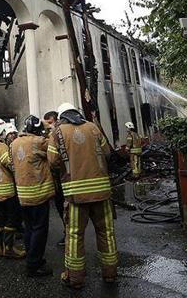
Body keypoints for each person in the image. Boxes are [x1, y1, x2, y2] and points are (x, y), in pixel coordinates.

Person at [47, 103, 117, 290]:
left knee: (75, 236)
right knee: (106, 233)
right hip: (102, 193)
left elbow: (53, 161)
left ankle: (75, 278)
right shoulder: (93, 127)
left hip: (76, 197)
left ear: (61, 117)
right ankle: (110, 274)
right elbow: (108, 153)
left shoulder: (58, 133)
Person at [11, 115, 54, 277]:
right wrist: (49, 127)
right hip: (38, 193)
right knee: (40, 230)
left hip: (22, 194)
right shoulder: (38, 142)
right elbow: (54, 148)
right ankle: (34, 265)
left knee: (29, 228)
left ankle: (32, 258)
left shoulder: (14, 143)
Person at [0, 118, 26, 259]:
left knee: (0, 218)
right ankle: (9, 248)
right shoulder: (0, 146)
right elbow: (10, 163)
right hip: (8, 189)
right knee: (13, 218)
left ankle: (0, 247)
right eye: (2, 131)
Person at [43, 111, 66, 246]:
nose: (49, 126)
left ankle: (69, 234)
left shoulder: (59, 134)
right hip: (57, 180)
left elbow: (53, 160)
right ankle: (67, 232)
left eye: (51, 123)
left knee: (65, 208)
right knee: (61, 206)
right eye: (48, 124)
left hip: (62, 178)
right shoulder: (50, 135)